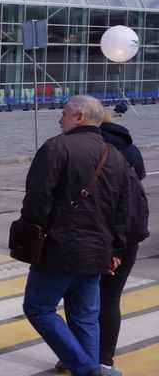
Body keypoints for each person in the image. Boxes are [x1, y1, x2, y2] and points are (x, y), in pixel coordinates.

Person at [20, 96, 129, 376]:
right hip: (98, 251)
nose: (60, 118)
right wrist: (116, 250)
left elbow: (37, 199)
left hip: (59, 248)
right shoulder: (114, 155)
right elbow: (124, 208)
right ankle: (88, 369)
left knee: (38, 308)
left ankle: (87, 368)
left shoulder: (56, 147)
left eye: (64, 113)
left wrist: (31, 233)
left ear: (80, 117)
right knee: (85, 316)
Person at [90, 110, 148, 372]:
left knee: (82, 299)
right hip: (129, 236)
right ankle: (104, 359)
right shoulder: (131, 149)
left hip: (97, 235)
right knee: (111, 299)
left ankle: (79, 353)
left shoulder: (93, 150)